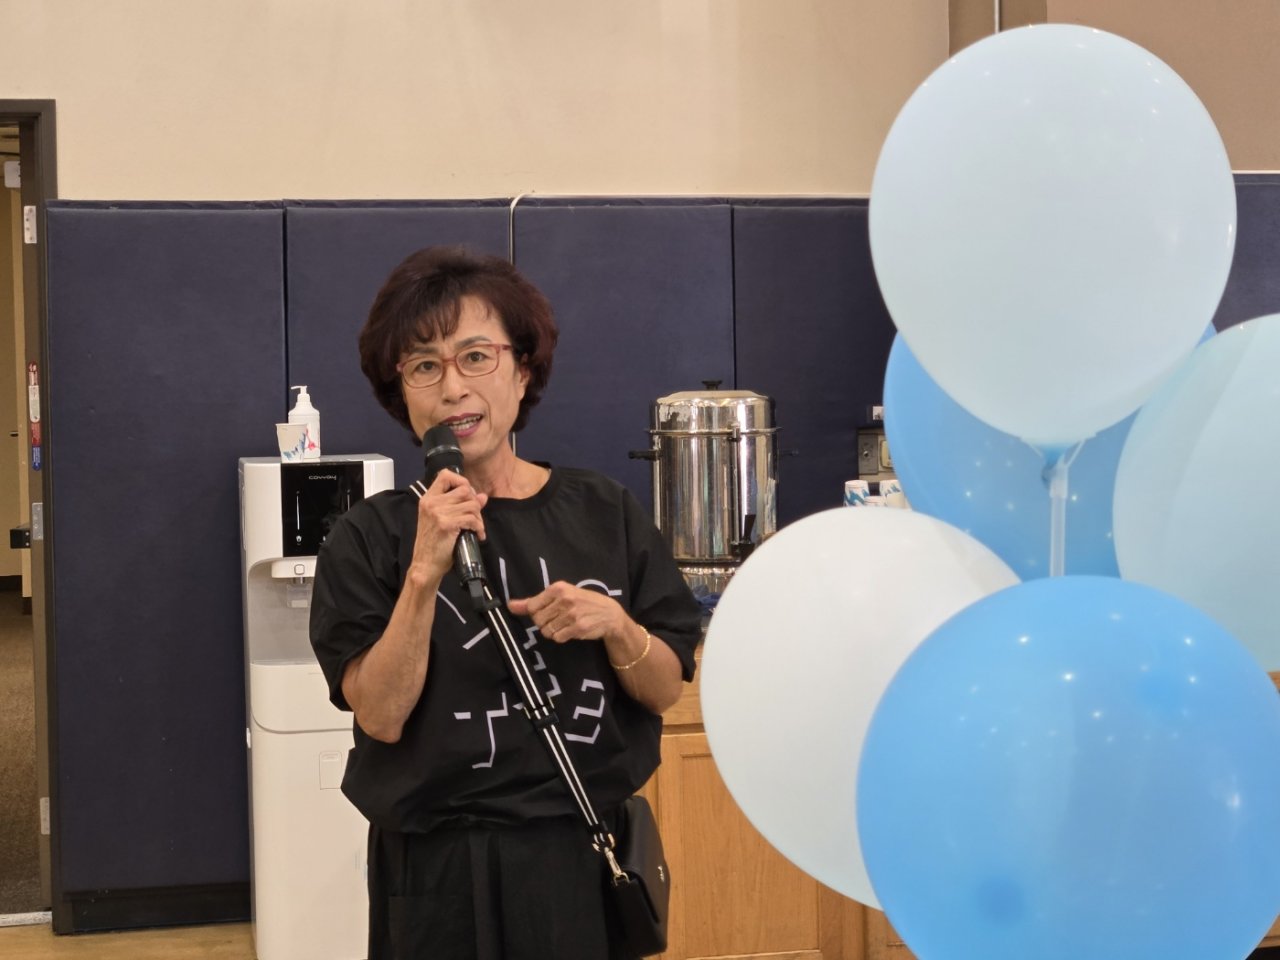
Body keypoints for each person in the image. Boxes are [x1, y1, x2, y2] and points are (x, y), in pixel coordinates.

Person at [310, 245, 702, 960]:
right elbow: (382, 716)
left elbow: (665, 689)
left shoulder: (603, 510)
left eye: (475, 357)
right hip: (437, 870)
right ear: (402, 394)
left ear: (523, 370)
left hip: (579, 853)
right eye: (424, 366)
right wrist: (423, 574)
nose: (453, 387)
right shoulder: (368, 537)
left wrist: (616, 625)